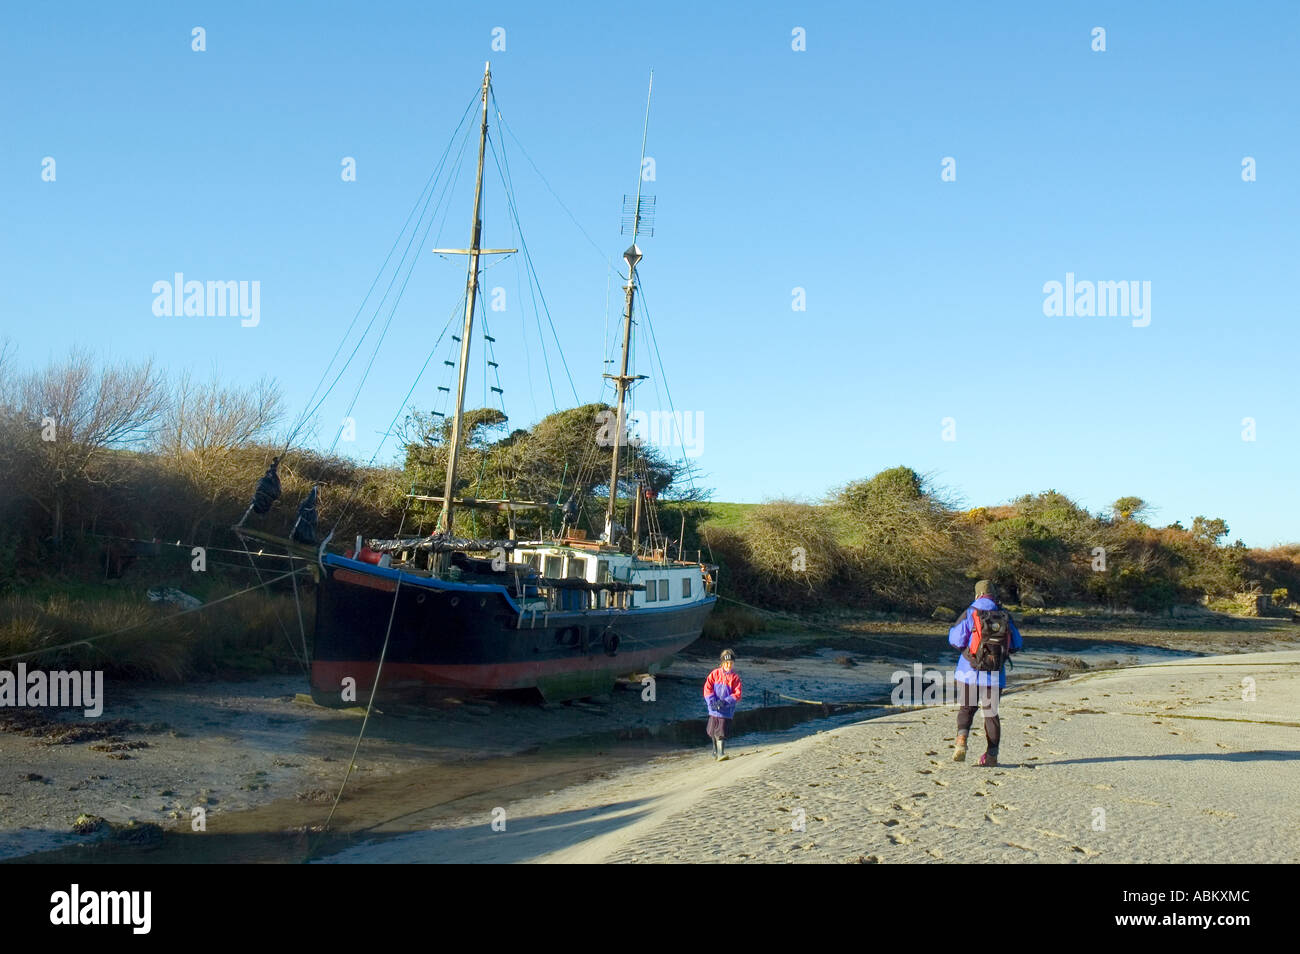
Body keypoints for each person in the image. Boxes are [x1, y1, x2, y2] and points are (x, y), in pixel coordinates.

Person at [947, 580, 1023, 766]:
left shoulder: (971, 612)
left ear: (977, 594)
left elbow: (955, 640)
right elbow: (1017, 644)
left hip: (969, 672)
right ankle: (991, 756)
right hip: (995, 674)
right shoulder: (1004, 614)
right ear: (994, 595)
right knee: (991, 714)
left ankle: (961, 742)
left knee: (967, 709)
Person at [703, 649, 742, 761]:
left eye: (731, 663)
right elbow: (707, 689)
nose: (729, 665)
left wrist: (725, 702)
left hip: (726, 711)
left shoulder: (735, 678)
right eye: (726, 663)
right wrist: (712, 702)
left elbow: (737, 694)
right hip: (713, 709)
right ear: (722, 663)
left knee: (721, 732)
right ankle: (715, 751)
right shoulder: (714, 674)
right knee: (712, 731)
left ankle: (721, 753)